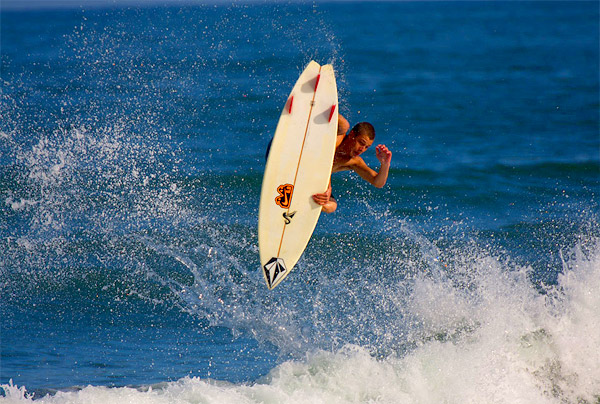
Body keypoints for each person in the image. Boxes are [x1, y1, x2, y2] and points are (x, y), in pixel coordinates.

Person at [312, 114, 392, 213]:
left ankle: (303, 201)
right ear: (352, 135)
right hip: (309, 159)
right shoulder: (337, 137)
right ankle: (313, 106)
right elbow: (326, 158)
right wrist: (327, 186)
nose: (362, 149)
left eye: (367, 147)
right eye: (361, 143)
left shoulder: (353, 161)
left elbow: (378, 182)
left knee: (331, 206)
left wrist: (385, 164)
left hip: (311, 179)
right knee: (344, 125)